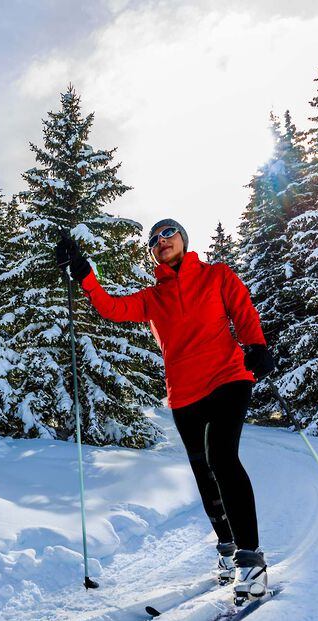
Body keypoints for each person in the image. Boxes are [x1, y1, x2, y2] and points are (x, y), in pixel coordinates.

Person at [55, 218, 276, 598]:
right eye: (154, 240)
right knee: (204, 473)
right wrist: (85, 275)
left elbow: (241, 309)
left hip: (228, 377)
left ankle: (251, 562)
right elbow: (111, 308)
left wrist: (256, 345)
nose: (161, 241)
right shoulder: (152, 297)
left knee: (222, 458)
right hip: (184, 394)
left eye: (168, 233)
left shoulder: (216, 275)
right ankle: (226, 548)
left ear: (183, 239)